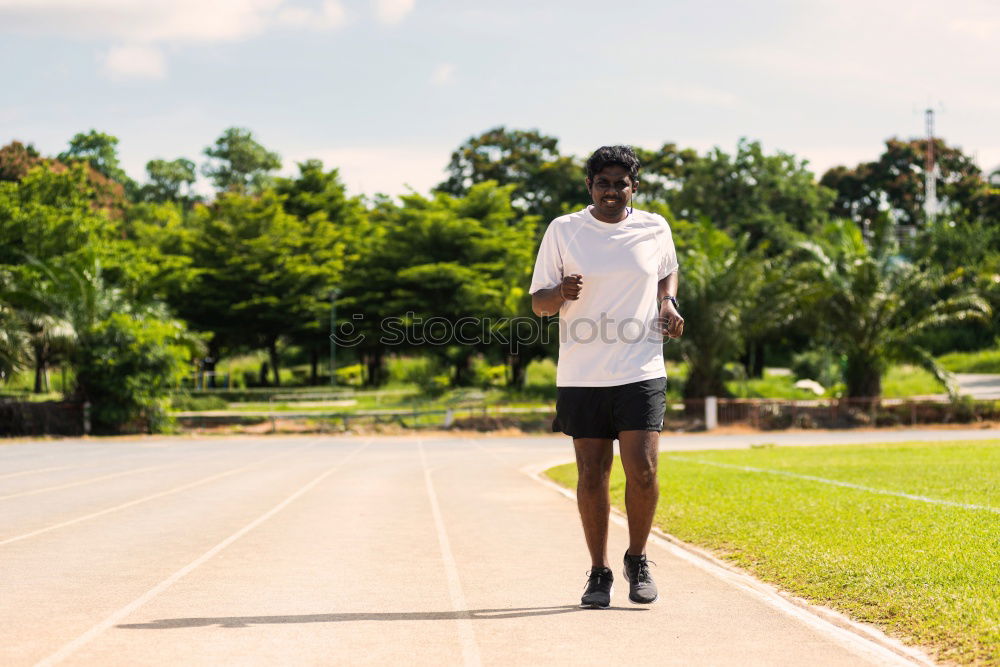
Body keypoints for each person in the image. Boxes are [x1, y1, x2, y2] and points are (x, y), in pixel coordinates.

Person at [529, 145, 684, 608]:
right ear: (589, 187)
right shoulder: (564, 230)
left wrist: (669, 303)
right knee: (592, 474)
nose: (611, 191)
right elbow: (538, 304)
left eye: (621, 183)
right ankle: (599, 573)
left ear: (634, 187)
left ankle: (637, 559)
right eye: (603, 183)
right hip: (582, 373)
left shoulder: (654, 227)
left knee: (643, 469)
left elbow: (667, 272)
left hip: (640, 367)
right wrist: (560, 292)